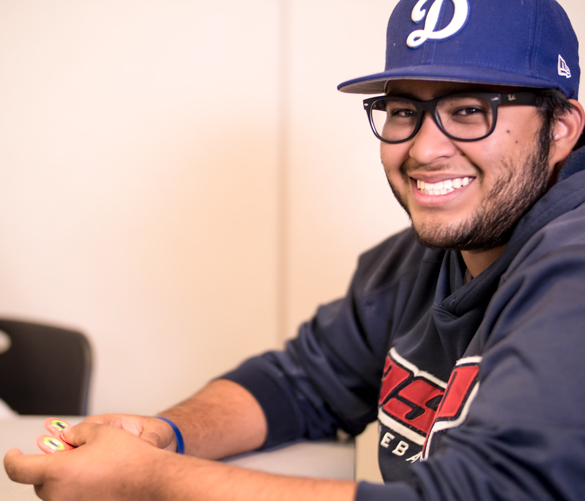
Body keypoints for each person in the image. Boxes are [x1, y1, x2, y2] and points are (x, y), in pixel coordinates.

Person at [6, 0, 585, 499]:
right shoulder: (419, 257)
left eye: (467, 111)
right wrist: (161, 436)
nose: (424, 149)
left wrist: (154, 483)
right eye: (405, 110)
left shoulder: (572, 270)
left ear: (561, 127)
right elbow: (300, 382)